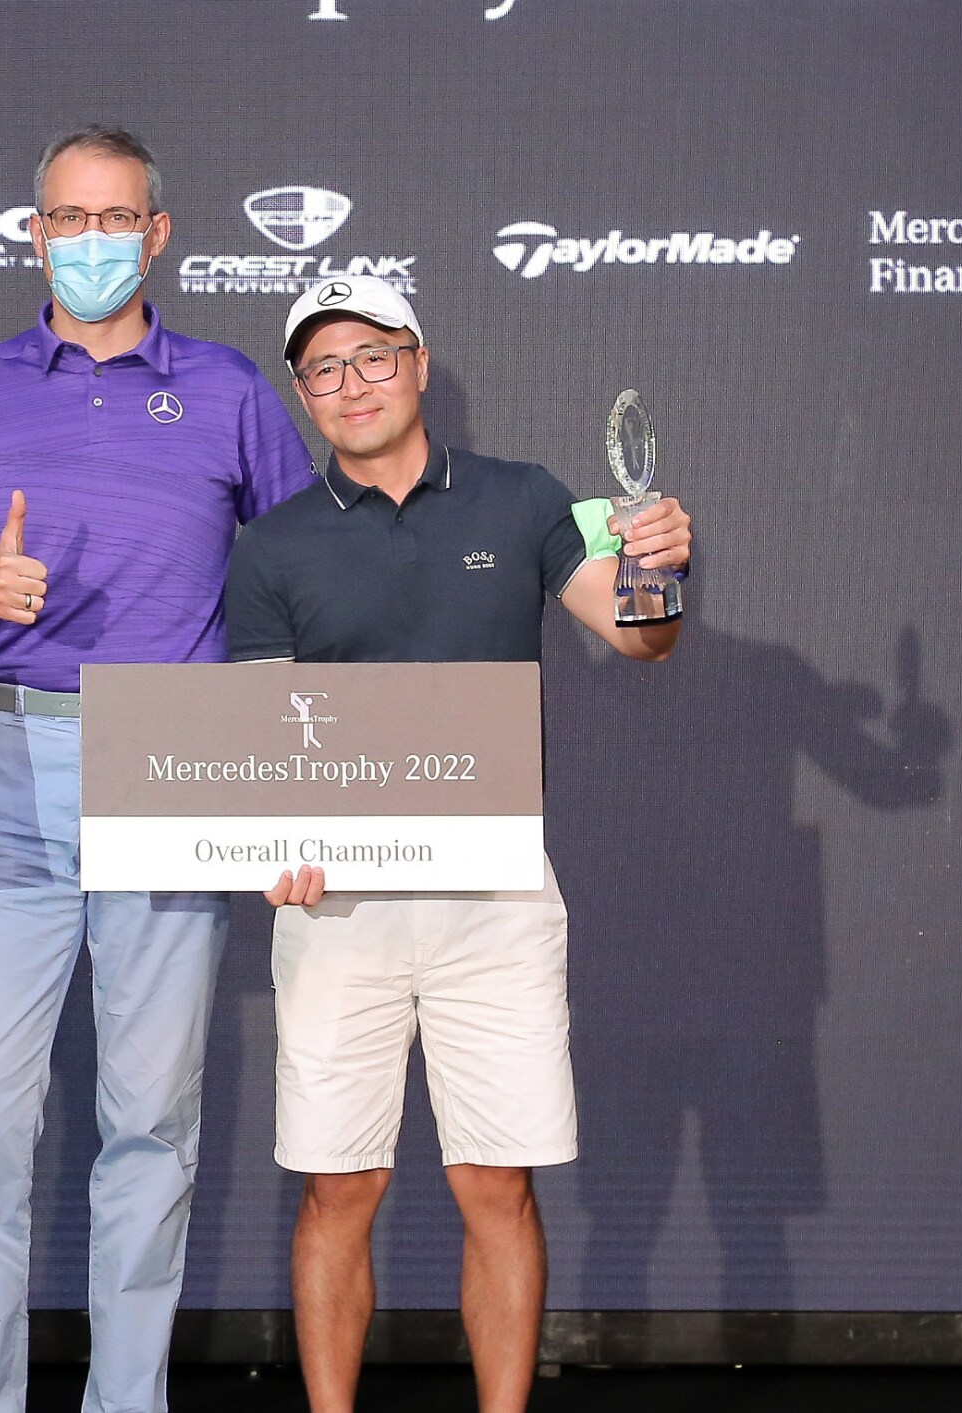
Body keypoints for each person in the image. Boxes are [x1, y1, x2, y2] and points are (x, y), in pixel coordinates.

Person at [223, 275, 692, 1413]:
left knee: (496, 1186)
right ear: (303, 393)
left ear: (421, 363)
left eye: (374, 357)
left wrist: (655, 567)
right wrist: (265, 847)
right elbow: (256, 737)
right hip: (336, 906)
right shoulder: (269, 546)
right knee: (341, 1187)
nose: (352, 384)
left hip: (495, 892)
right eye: (324, 368)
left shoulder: (527, 498)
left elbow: (642, 641)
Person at [0, 126, 315, 1413]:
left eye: (114, 218)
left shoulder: (233, 388)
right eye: (65, 219)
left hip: (170, 769)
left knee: (149, 1125)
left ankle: (125, 1402)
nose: (89, 239)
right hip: (5, 755)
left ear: (156, 235)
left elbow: (300, 574)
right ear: (36, 235)